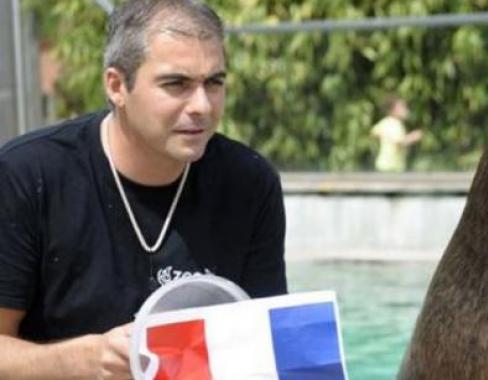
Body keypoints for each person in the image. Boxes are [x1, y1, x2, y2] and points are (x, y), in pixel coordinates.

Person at [0, 1, 287, 378]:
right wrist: (87, 359)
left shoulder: (250, 182)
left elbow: (267, 345)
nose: (202, 106)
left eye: (214, 83)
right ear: (117, 86)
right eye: (176, 84)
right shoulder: (28, 175)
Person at [370, 96, 423, 172]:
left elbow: (373, 132)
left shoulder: (386, 122)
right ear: (393, 110)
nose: (406, 110)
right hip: (390, 166)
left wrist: (385, 137)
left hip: (386, 165)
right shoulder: (395, 125)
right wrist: (413, 136)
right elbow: (400, 142)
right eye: (402, 108)